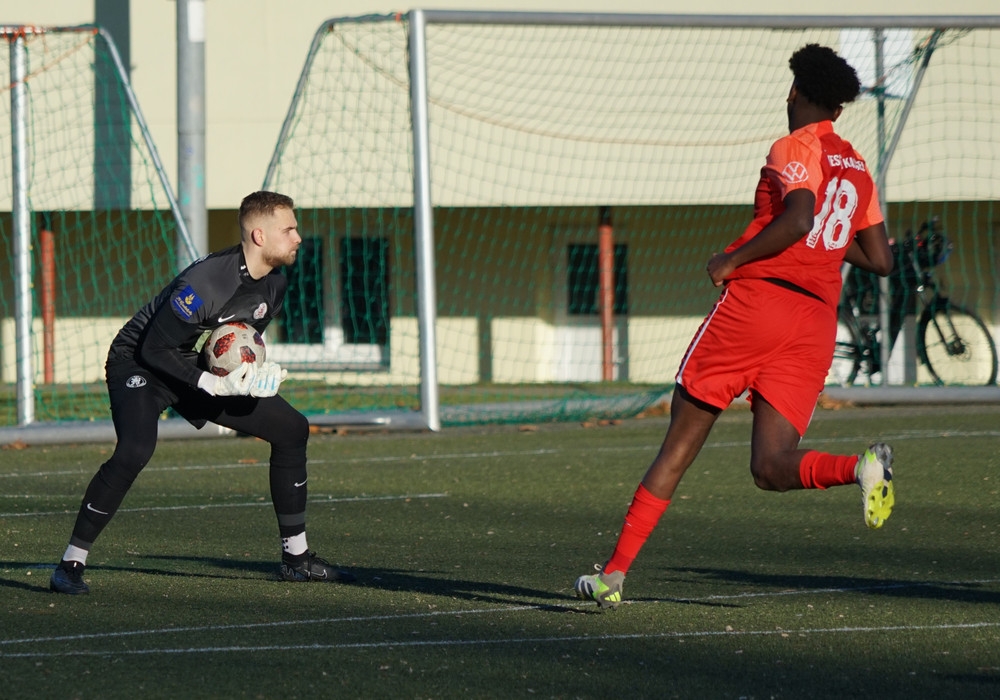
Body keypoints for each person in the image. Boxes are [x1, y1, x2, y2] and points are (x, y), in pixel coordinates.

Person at [574, 44, 896, 610]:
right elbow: (881, 259)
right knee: (770, 467)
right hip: (813, 325)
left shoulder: (794, 145)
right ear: (840, 109)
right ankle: (859, 468)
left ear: (795, 92)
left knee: (679, 444)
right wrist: (828, 239)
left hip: (758, 307)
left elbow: (799, 217)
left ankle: (614, 575)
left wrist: (733, 259)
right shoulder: (857, 165)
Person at [50, 190, 355, 595]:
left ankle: (296, 561)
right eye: (289, 229)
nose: (298, 237)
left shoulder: (275, 285)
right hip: (138, 362)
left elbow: (237, 341)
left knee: (292, 429)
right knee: (135, 450)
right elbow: (154, 349)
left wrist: (253, 373)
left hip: (192, 365)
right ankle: (70, 564)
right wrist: (213, 383)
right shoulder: (208, 281)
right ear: (260, 236)